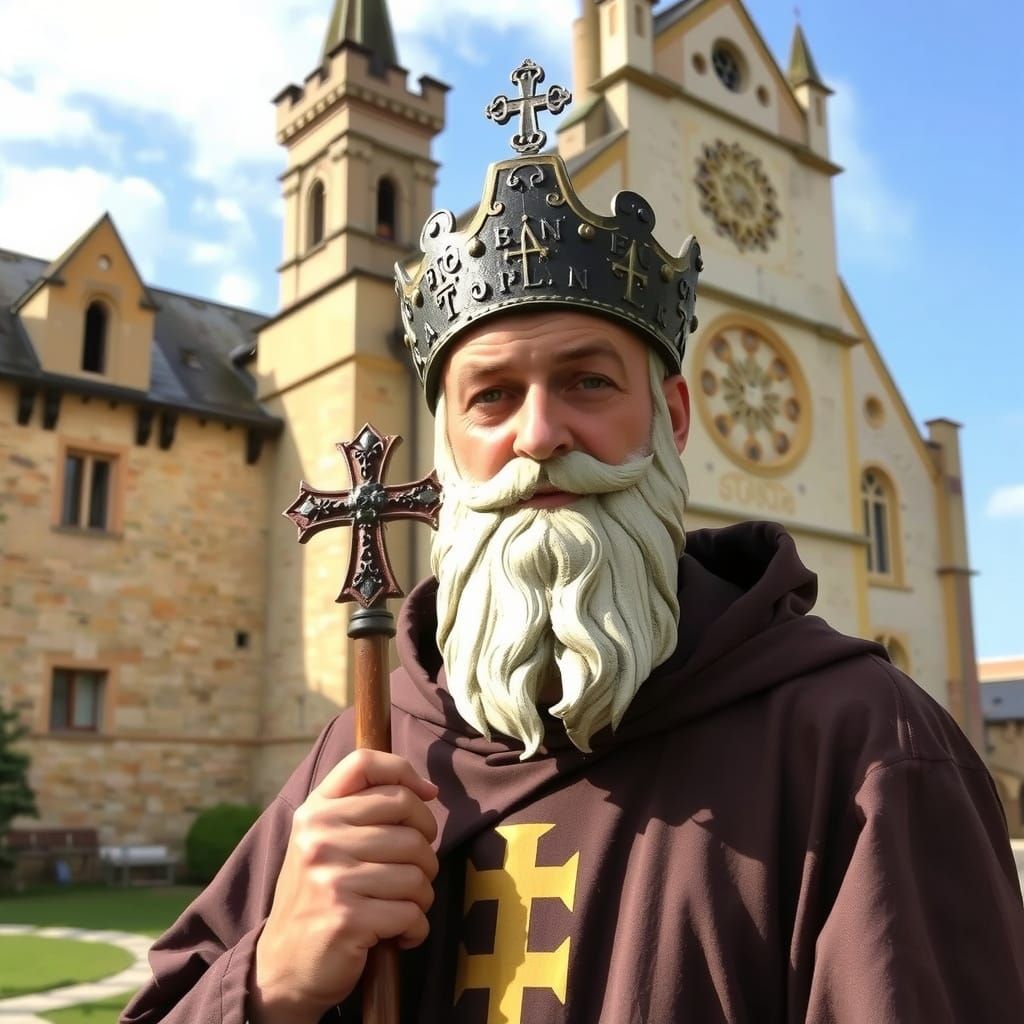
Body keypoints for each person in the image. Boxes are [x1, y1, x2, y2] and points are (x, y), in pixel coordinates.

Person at [122, 61, 1024, 1024]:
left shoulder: (861, 750)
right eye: (492, 397)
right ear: (448, 444)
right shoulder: (372, 743)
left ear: (674, 416)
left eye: (589, 382)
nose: (538, 433)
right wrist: (271, 979)